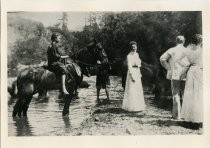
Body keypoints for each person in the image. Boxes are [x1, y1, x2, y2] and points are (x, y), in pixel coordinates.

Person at [160, 35, 189, 120]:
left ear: (176, 41)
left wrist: (169, 68)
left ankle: (176, 115)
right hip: (185, 74)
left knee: (175, 94)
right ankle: (186, 115)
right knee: (185, 94)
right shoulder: (187, 50)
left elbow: (162, 59)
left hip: (175, 74)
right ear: (184, 41)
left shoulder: (172, 50)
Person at [179, 34, 203, 127]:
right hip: (199, 71)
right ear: (200, 41)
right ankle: (198, 119)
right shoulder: (202, 50)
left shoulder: (187, 50)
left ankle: (188, 118)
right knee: (198, 94)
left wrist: (186, 65)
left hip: (191, 70)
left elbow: (178, 60)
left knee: (190, 94)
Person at [122, 41, 145, 112]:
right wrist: (132, 76)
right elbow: (129, 66)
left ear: (137, 47)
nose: (134, 48)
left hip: (137, 72)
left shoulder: (137, 54)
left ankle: (138, 106)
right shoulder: (129, 56)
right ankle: (131, 106)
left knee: (137, 89)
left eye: (135, 47)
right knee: (132, 89)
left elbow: (139, 64)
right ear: (131, 48)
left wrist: (139, 73)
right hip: (132, 72)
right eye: (133, 47)